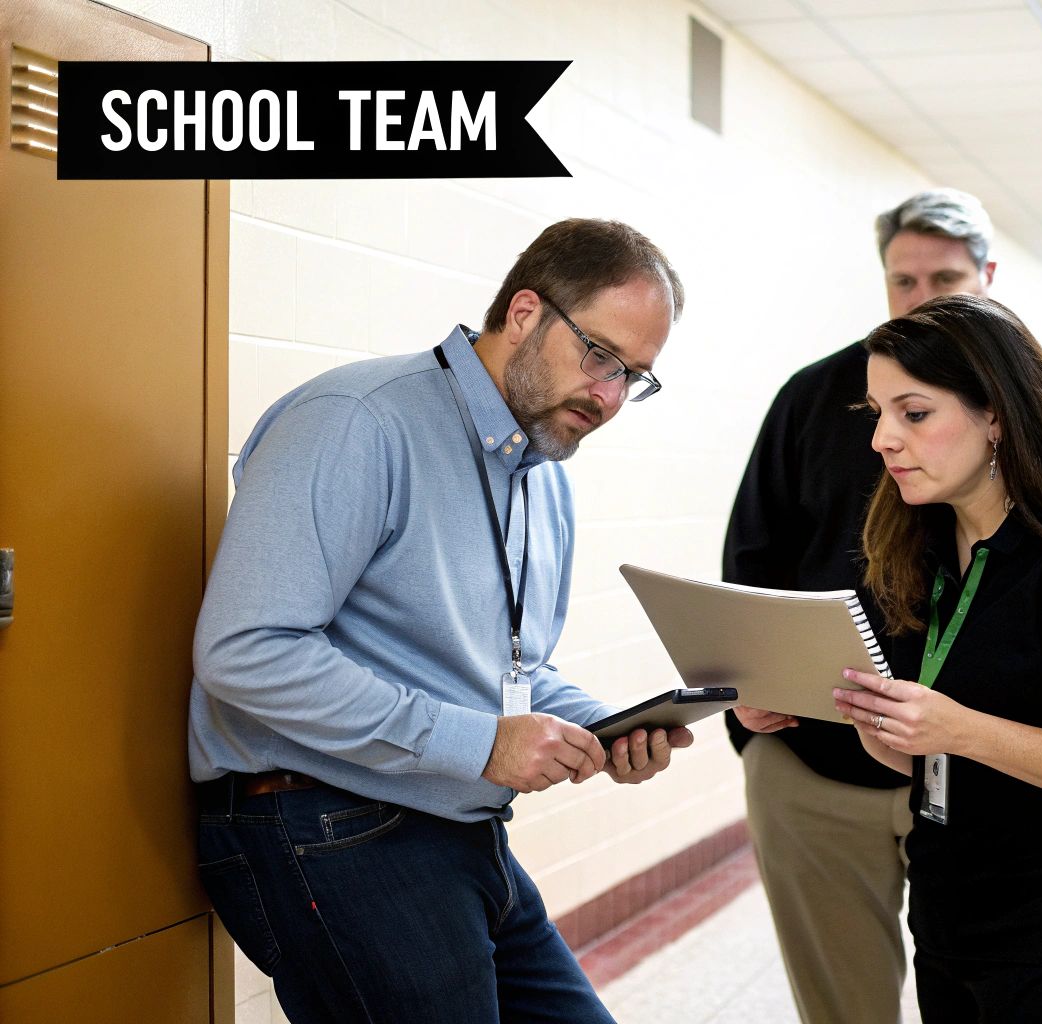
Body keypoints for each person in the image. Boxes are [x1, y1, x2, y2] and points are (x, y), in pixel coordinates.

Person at [189, 219, 692, 1022]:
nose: (610, 397)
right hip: (327, 825)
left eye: (635, 377)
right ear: (525, 312)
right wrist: (481, 743)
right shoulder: (358, 419)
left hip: (461, 827)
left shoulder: (541, 472)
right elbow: (246, 652)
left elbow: (507, 668)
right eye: (601, 356)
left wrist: (606, 725)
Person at [721, 188, 1042, 1023]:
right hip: (830, 760)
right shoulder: (825, 409)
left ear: (989, 276)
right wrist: (754, 696)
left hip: (998, 783)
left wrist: (971, 731)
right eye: (902, 282)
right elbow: (752, 564)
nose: (887, 438)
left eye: (946, 279)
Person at [828, 293, 1042, 1020]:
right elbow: (942, 756)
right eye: (878, 415)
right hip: (954, 921)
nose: (883, 440)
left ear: (996, 414)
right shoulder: (922, 547)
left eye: (914, 413)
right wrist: (884, 729)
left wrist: (961, 730)